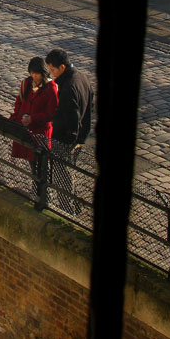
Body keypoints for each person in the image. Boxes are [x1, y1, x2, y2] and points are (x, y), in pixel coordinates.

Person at [45, 47, 93, 215]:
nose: (51, 74)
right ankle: (74, 204)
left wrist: (66, 141)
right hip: (79, 136)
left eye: (52, 70)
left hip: (64, 140)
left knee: (61, 177)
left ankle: (67, 211)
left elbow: (73, 118)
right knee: (69, 172)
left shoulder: (68, 88)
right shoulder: (83, 78)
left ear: (62, 67)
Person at [10, 56, 59, 165]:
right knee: (31, 162)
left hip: (40, 132)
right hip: (26, 129)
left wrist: (33, 118)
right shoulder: (26, 83)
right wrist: (16, 117)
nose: (34, 76)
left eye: (36, 74)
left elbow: (51, 113)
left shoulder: (50, 88)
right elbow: (19, 102)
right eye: (32, 73)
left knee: (41, 163)